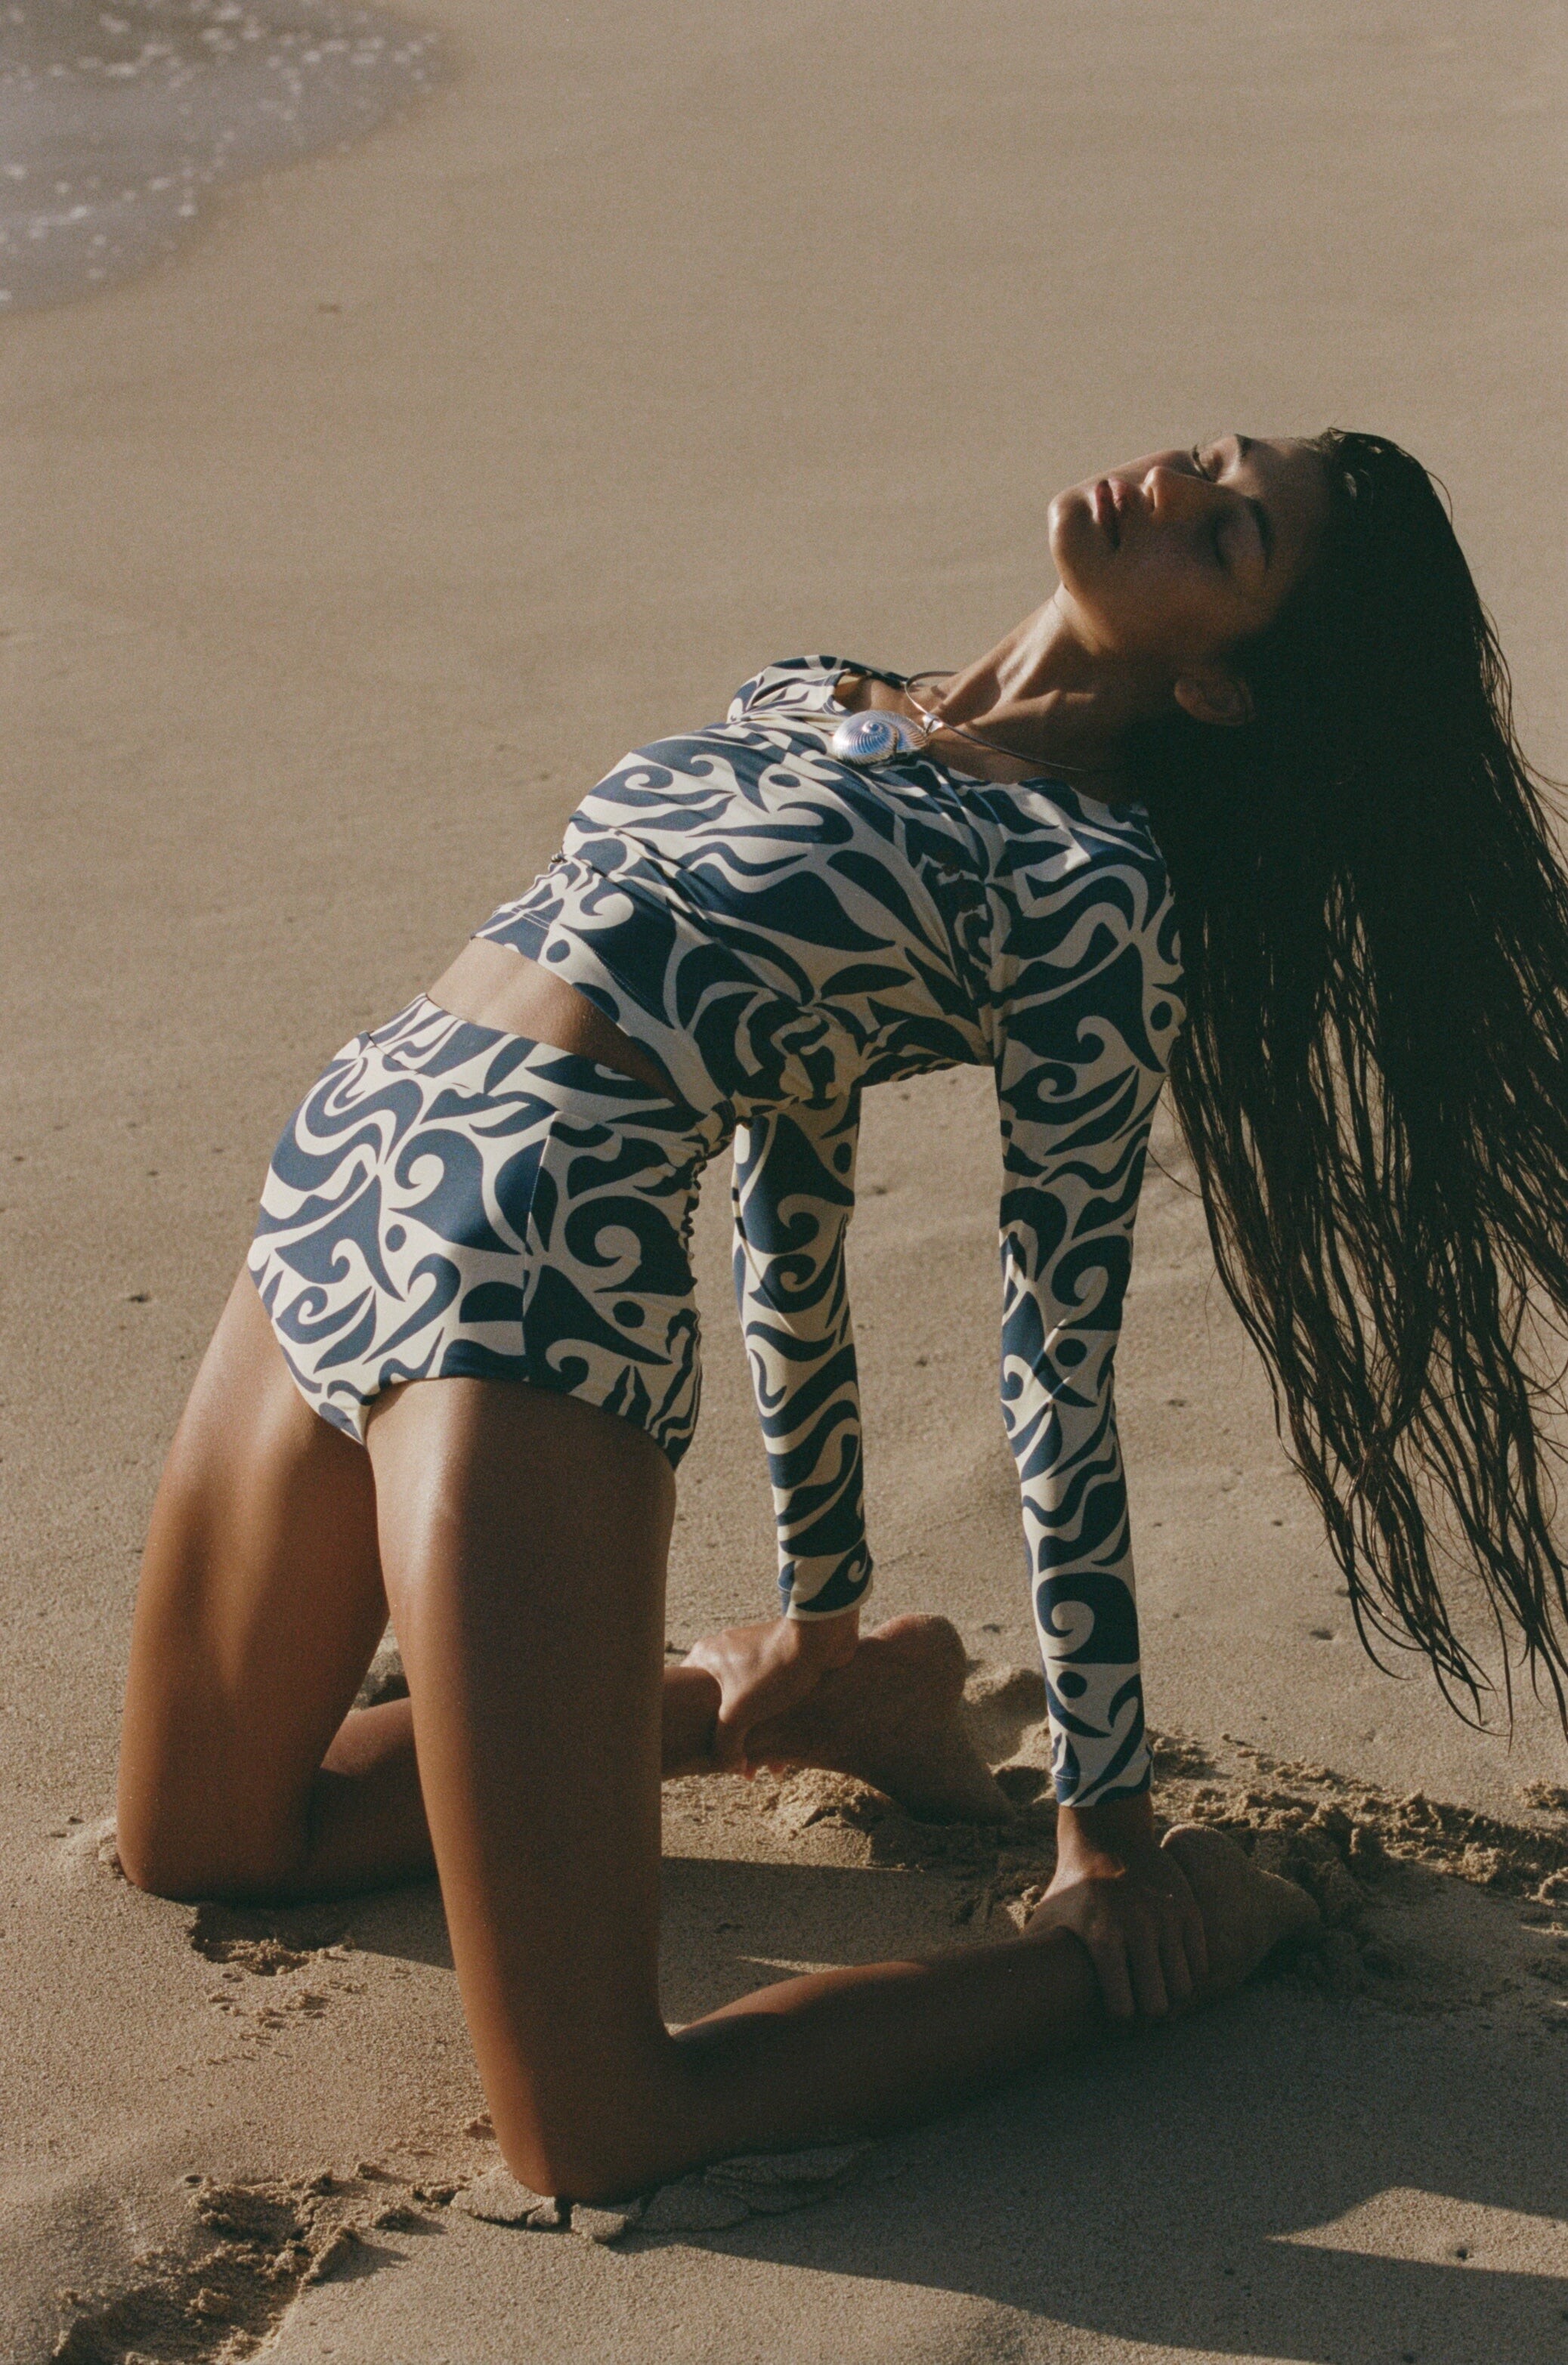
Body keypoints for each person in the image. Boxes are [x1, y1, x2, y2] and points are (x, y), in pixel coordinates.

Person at [116, 430, 1568, 2201]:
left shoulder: (1095, 888)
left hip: (528, 1273)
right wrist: (819, 1609)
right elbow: (792, 1189)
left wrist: (1103, 1819)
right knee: (201, 1836)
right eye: (1212, 457)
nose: (1173, 488)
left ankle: (1137, 1950)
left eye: (1233, 534)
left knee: (597, 2126)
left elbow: (1057, 1358)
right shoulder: (814, 689)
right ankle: (782, 1697)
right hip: (348, 1151)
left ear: (1219, 685)